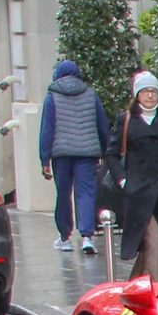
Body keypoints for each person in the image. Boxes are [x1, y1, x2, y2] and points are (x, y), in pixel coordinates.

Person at [111, 71, 158, 283]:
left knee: (152, 244)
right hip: (138, 192)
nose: (150, 96)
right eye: (145, 91)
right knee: (152, 240)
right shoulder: (126, 120)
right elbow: (112, 153)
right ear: (137, 95)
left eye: (153, 91)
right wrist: (123, 180)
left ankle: (138, 285)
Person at [38, 59, 112, 254]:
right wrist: (104, 150)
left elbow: (47, 130)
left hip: (61, 155)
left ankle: (65, 237)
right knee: (86, 193)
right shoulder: (91, 95)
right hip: (87, 153)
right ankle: (87, 236)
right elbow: (103, 125)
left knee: (63, 194)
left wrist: (44, 159)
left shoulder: (52, 97)